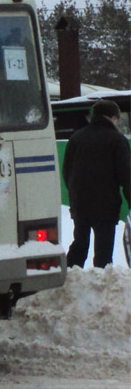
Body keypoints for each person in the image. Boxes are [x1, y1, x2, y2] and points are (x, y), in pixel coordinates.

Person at [63, 99, 131, 268]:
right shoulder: (116, 139)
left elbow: (66, 171)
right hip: (105, 205)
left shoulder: (76, 137)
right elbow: (126, 175)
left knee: (79, 244)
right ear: (113, 117)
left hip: (80, 203)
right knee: (103, 250)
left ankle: (69, 279)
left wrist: (75, 193)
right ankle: (101, 280)